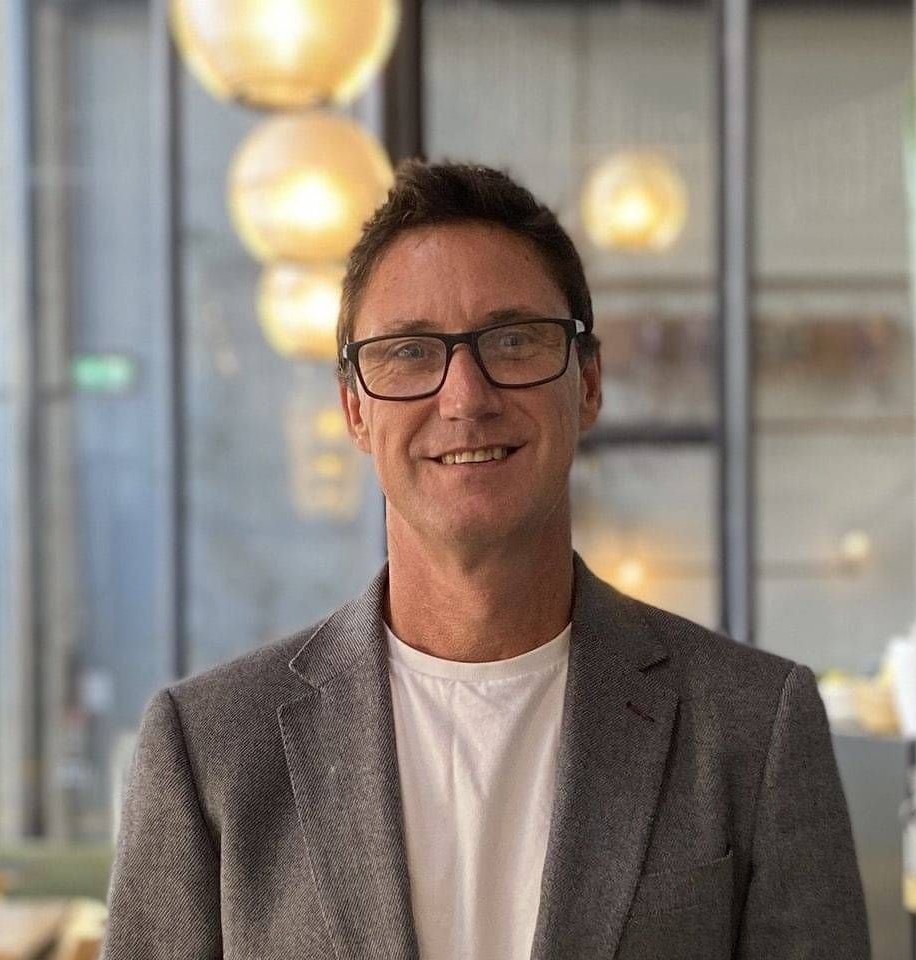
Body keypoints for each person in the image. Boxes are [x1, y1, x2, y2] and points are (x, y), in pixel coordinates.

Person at [101, 161, 871, 960]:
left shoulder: (753, 726)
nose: (465, 397)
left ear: (588, 383)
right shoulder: (210, 750)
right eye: (409, 352)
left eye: (512, 341)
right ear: (354, 409)